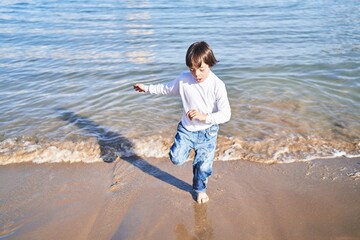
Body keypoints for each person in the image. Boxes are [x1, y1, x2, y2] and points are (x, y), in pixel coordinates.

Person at [133, 41, 231, 204]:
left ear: (210, 64)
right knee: (176, 158)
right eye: (192, 69)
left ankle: (199, 189)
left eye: (201, 69)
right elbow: (166, 89)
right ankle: (187, 154)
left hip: (208, 132)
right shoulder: (184, 80)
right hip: (186, 130)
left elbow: (226, 114)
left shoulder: (217, 85)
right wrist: (147, 88)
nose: (197, 74)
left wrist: (204, 116)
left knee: (203, 166)